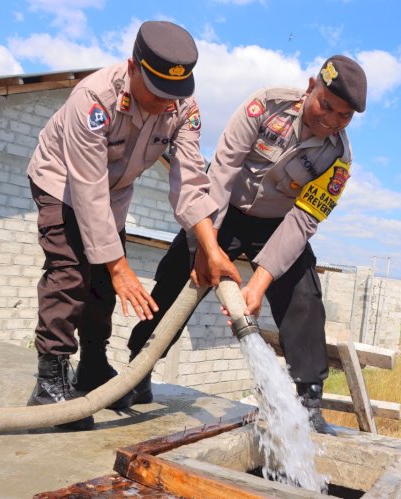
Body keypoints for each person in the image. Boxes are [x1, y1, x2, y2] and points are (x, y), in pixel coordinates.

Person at [126, 55, 368, 435]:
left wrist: (259, 282)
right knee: (176, 277)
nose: (330, 119)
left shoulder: (339, 157)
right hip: (224, 210)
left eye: (343, 116)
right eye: (326, 104)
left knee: (304, 295)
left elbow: (303, 219)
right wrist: (208, 248)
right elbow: (221, 172)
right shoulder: (266, 106)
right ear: (310, 87)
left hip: (278, 224)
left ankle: (308, 399)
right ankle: (139, 367)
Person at [25, 20, 240, 431]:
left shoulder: (184, 109)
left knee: (102, 287)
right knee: (70, 273)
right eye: (158, 92)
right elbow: (86, 188)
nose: (166, 103)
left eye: (174, 94)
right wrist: (119, 265)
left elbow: (191, 182)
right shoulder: (93, 98)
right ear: (133, 67)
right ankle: (49, 381)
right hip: (62, 183)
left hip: (112, 195)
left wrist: (211, 249)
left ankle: (91, 367)